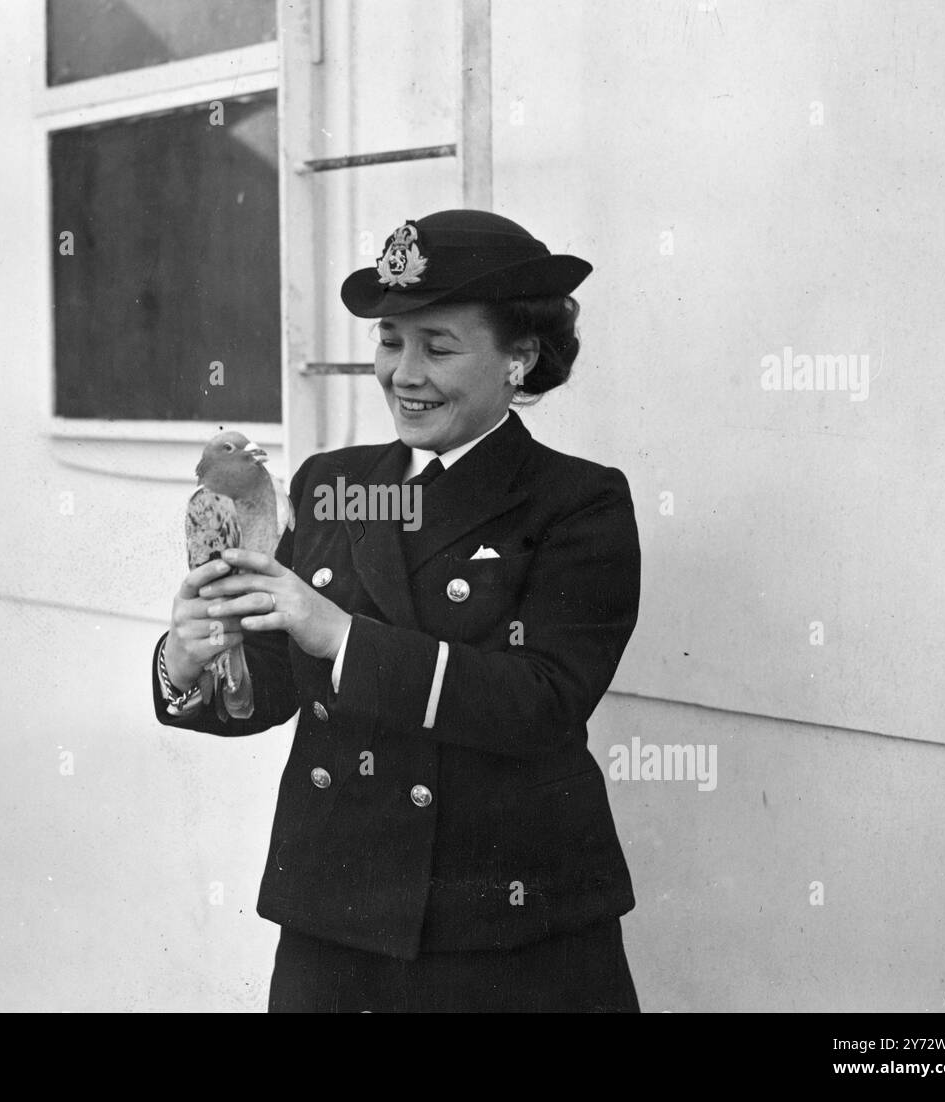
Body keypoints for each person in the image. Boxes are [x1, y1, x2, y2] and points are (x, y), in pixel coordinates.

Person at [153, 209, 642, 1012]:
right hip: (336, 917)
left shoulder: (576, 502)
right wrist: (193, 660)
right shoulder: (333, 482)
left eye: (438, 348)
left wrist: (343, 636)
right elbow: (273, 686)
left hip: (505, 928)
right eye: (389, 342)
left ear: (520, 359)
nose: (403, 374)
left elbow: (544, 703)